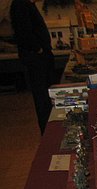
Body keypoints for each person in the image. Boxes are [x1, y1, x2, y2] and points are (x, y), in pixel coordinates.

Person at [10, 0, 57, 135]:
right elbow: (23, 31)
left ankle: (50, 127)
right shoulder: (20, 5)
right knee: (42, 97)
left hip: (40, 57)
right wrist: (37, 49)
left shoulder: (27, 4)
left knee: (46, 95)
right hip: (36, 59)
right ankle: (48, 131)